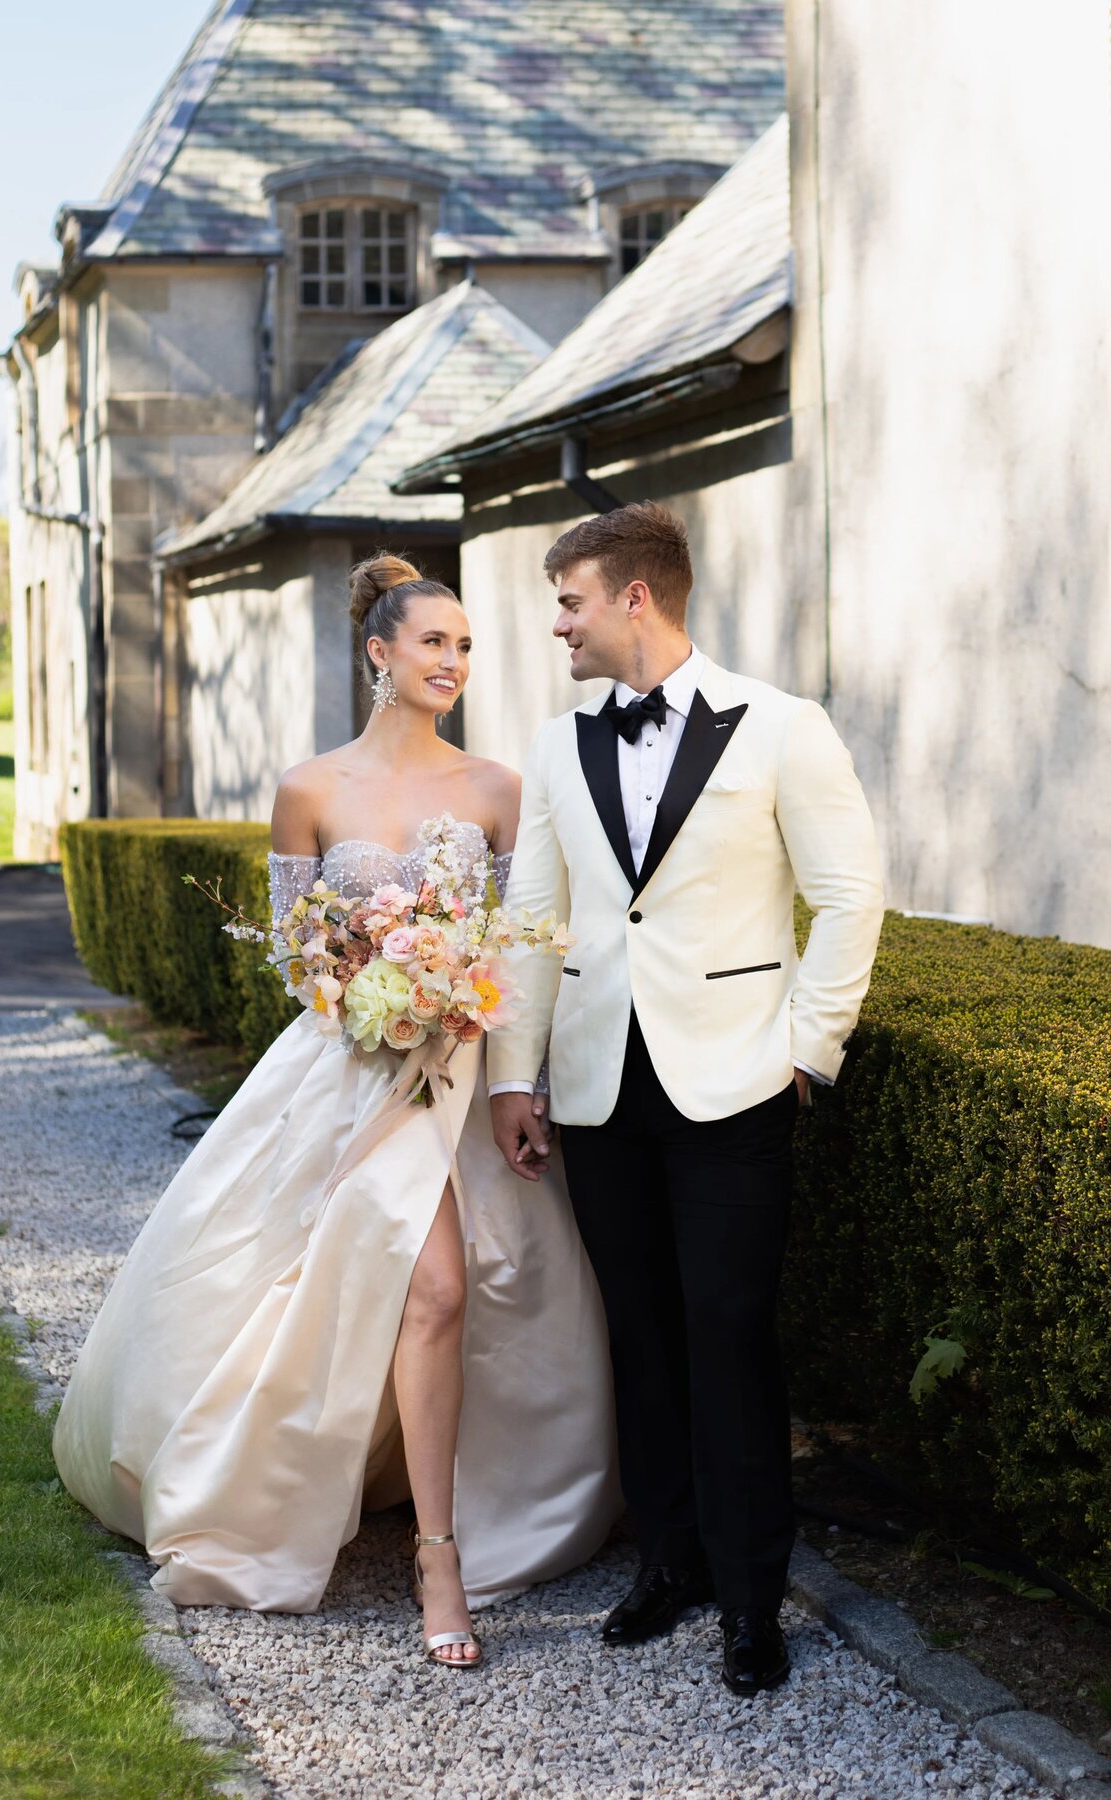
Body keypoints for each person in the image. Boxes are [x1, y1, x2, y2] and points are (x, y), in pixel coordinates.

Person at [53, 554, 618, 1669]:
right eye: (433, 643)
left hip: (460, 1070)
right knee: (428, 1284)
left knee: (451, 1295)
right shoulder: (310, 789)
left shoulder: (499, 788)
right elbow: (296, 956)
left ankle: (441, 1535)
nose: (453, 662)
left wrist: (492, 1050)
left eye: (465, 647)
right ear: (380, 652)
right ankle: (432, 1553)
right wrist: (371, 992)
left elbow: (521, 950)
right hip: (350, 1071)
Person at [489, 503, 884, 1696]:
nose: (556, 625)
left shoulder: (782, 726)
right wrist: (518, 1070)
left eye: (569, 601)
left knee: (727, 1329)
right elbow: (531, 919)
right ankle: (671, 1562)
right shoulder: (560, 745)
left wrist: (806, 1053)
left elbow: (849, 895)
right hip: (601, 1086)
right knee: (642, 1336)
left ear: (635, 598)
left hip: (737, 1081)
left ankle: (753, 1596)